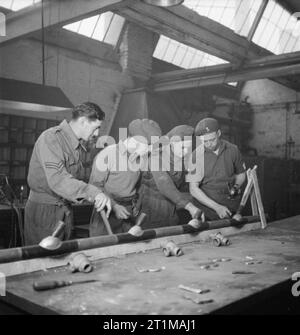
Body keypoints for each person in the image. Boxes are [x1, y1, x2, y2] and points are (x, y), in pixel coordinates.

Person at [24, 102, 111, 246]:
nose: (97, 134)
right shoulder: (51, 138)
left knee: (64, 256)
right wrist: (93, 192)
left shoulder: (76, 145)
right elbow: (58, 180)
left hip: (65, 209)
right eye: (96, 128)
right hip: (45, 211)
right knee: (45, 259)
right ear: (83, 121)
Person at [89, 119, 162, 236]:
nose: (150, 150)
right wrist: (114, 206)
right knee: (104, 248)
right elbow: (93, 188)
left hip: (128, 211)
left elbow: (139, 184)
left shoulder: (141, 158)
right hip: (106, 210)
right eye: (148, 146)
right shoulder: (108, 154)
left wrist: (137, 204)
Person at [139, 125, 203, 229]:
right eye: (183, 147)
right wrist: (190, 207)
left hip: (171, 208)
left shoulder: (182, 157)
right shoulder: (156, 156)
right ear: (172, 144)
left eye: (188, 148)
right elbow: (165, 185)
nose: (186, 151)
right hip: (150, 210)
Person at [187, 117, 246, 220]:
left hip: (231, 206)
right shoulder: (195, 156)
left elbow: (241, 174)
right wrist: (217, 207)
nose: (209, 144)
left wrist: (236, 186)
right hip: (207, 210)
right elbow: (193, 189)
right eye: (205, 141)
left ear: (218, 133)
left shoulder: (233, 150)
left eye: (212, 140)